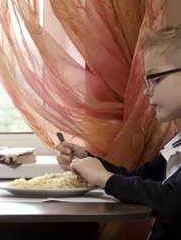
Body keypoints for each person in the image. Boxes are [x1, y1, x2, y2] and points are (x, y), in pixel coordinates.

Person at [56, 24, 181, 240]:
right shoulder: (177, 143)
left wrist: (105, 178)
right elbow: (138, 180)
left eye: (156, 78)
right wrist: (89, 162)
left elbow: (172, 201)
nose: (147, 90)